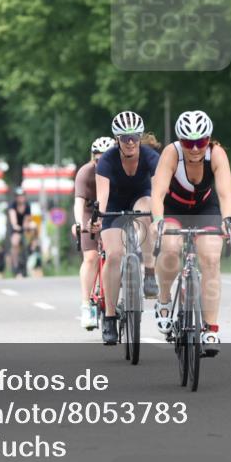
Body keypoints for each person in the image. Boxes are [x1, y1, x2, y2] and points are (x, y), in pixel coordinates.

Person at [150, 110, 231, 351]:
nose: (196, 148)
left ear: (208, 139)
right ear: (181, 140)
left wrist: (228, 219)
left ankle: (210, 328)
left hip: (204, 209)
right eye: (189, 142)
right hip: (173, 209)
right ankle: (165, 300)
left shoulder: (216, 154)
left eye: (201, 142)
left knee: (210, 257)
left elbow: (225, 194)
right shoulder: (172, 153)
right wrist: (157, 220)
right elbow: (157, 193)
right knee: (170, 248)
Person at [91, 110, 160, 345]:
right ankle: (110, 317)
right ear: (117, 140)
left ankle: (149, 271)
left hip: (141, 197)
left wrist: (161, 214)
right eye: (124, 138)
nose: (130, 142)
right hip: (114, 204)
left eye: (134, 137)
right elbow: (102, 195)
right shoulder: (108, 160)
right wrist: (99, 216)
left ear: (140, 137)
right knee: (114, 255)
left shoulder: (150, 156)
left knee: (148, 211)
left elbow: (159, 189)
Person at [73, 136, 115, 329]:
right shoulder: (85, 173)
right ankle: (85, 305)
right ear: (93, 159)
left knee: (116, 255)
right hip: (91, 214)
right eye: (99, 160)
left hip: (112, 212)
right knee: (90, 257)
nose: (103, 164)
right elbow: (79, 203)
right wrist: (79, 223)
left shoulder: (121, 172)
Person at [7, 187, 30, 278]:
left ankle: (28, 266)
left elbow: (27, 219)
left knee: (29, 242)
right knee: (15, 243)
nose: (21, 198)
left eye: (22, 196)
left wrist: (26, 226)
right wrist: (16, 226)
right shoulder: (12, 205)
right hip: (15, 228)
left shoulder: (27, 206)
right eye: (19, 196)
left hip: (24, 227)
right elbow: (13, 219)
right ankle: (15, 267)